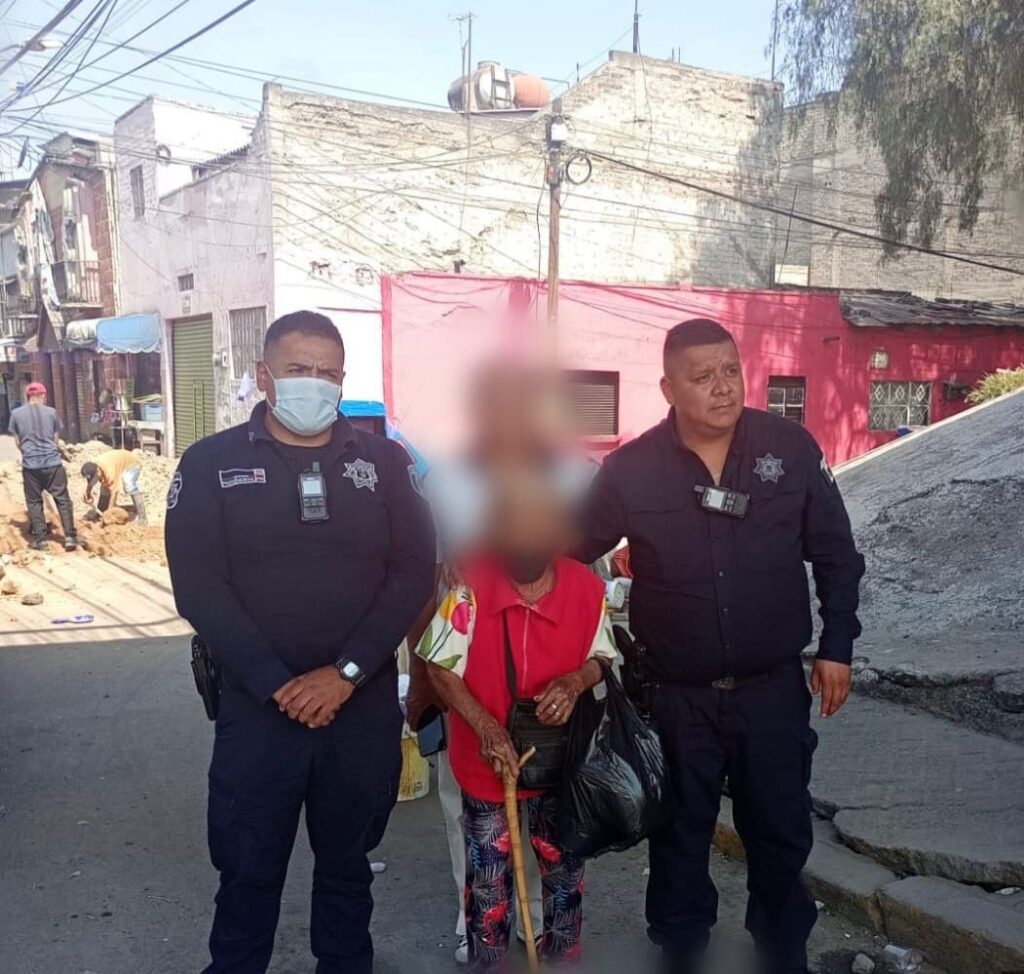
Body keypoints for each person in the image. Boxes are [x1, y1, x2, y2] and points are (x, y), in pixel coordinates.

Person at [577, 319, 866, 974]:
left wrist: (837, 646)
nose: (722, 387)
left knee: (780, 833)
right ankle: (680, 953)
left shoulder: (789, 449)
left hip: (772, 693)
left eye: (730, 371)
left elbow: (836, 555)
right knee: (679, 838)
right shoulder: (630, 471)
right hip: (675, 697)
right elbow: (569, 554)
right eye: (702, 377)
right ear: (669, 389)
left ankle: (783, 954)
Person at [164, 310, 435, 974]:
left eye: (328, 372)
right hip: (259, 711)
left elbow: (412, 574)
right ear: (264, 375)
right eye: (298, 369)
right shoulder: (211, 463)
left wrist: (345, 674)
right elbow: (198, 585)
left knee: (348, 869)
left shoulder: (384, 463)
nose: (314, 382)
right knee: (248, 869)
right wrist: (275, 682)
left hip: (359, 708)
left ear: (343, 381)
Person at [417, 489, 617, 973]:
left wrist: (575, 682)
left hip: (559, 757)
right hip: (486, 754)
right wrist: (486, 727)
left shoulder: (586, 589)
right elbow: (439, 666)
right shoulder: (470, 585)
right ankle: (489, 963)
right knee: (489, 878)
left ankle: (562, 961)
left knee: (564, 870)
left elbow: (604, 656)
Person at [8, 381, 78, 551]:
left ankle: (41, 540)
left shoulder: (16, 414)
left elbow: (18, 442)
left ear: (27, 396)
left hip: (31, 466)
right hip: (53, 464)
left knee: (34, 501)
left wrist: (29, 453)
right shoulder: (52, 412)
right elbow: (55, 440)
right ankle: (70, 537)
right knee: (62, 499)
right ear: (43, 396)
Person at [81, 435, 147, 525]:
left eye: (95, 478)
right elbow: (91, 481)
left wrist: (109, 514)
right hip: (115, 461)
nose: (95, 481)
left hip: (132, 463)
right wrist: (87, 493)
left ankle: (142, 517)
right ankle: (102, 510)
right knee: (105, 488)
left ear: (98, 471)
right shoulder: (92, 466)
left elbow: (114, 493)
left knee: (128, 484)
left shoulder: (110, 472)